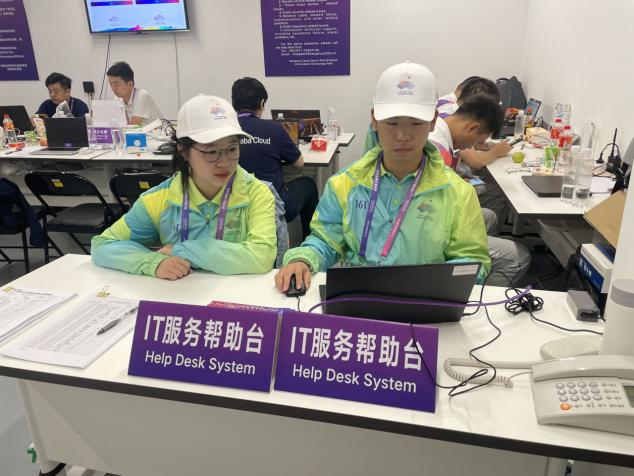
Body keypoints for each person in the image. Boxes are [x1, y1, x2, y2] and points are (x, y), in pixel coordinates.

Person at [275, 62, 490, 293]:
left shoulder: (458, 193)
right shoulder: (345, 183)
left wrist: (434, 282)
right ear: (374, 120)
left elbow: (471, 260)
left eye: (415, 123)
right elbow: (326, 239)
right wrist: (303, 259)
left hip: (426, 302)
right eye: (392, 122)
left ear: (433, 122)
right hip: (359, 297)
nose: (402, 135)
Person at [91, 95, 277, 279]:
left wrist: (183, 250)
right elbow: (102, 245)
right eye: (211, 151)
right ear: (183, 150)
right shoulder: (159, 199)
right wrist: (153, 262)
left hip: (236, 293)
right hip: (180, 292)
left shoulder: (256, 193)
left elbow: (263, 256)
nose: (224, 163)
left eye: (232, 149)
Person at [428, 94, 531, 286]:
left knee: (489, 217)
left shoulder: (442, 129)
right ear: (472, 128)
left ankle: (479, 264)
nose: (472, 147)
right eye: (477, 140)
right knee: (519, 257)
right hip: (436, 227)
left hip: (439, 216)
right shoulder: (438, 151)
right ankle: (473, 294)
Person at [231, 77, 318, 239]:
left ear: (234, 103)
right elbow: (299, 163)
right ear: (262, 103)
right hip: (274, 206)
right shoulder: (273, 129)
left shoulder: (227, 131)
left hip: (235, 207)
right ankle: (309, 242)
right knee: (309, 185)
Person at [107, 61, 162, 126]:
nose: (113, 88)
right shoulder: (117, 99)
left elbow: (133, 126)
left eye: (117, 85)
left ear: (130, 84)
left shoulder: (141, 95)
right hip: (138, 132)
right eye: (111, 84)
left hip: (161, 132)